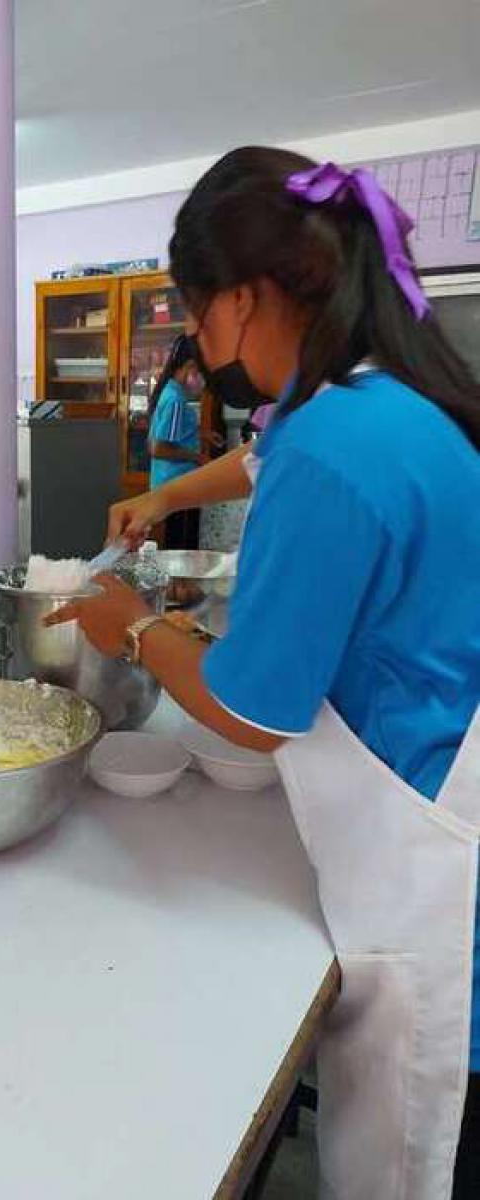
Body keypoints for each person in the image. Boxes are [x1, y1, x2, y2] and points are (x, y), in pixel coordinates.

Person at [49, 147, 480, 1199]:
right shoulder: (391, 399)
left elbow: (253, 711)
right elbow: (258, 456)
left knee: (419, 1148)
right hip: (450, 777)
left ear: (241, 299)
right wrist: (163, 497)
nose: (200, 343)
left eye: (196, 314)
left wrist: (134, 626)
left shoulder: (332, 446)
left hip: (434, 859)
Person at [147, 335, 203, 548]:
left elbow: (170, 433)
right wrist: (198, 457)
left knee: (175, 542)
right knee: (181, 545)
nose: (200, 378)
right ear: (189, 366)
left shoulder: (169, 391)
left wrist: (202, 434)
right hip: (178, 485)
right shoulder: (175, 400)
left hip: (170, 485)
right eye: (199, 371)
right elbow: (159, 448)